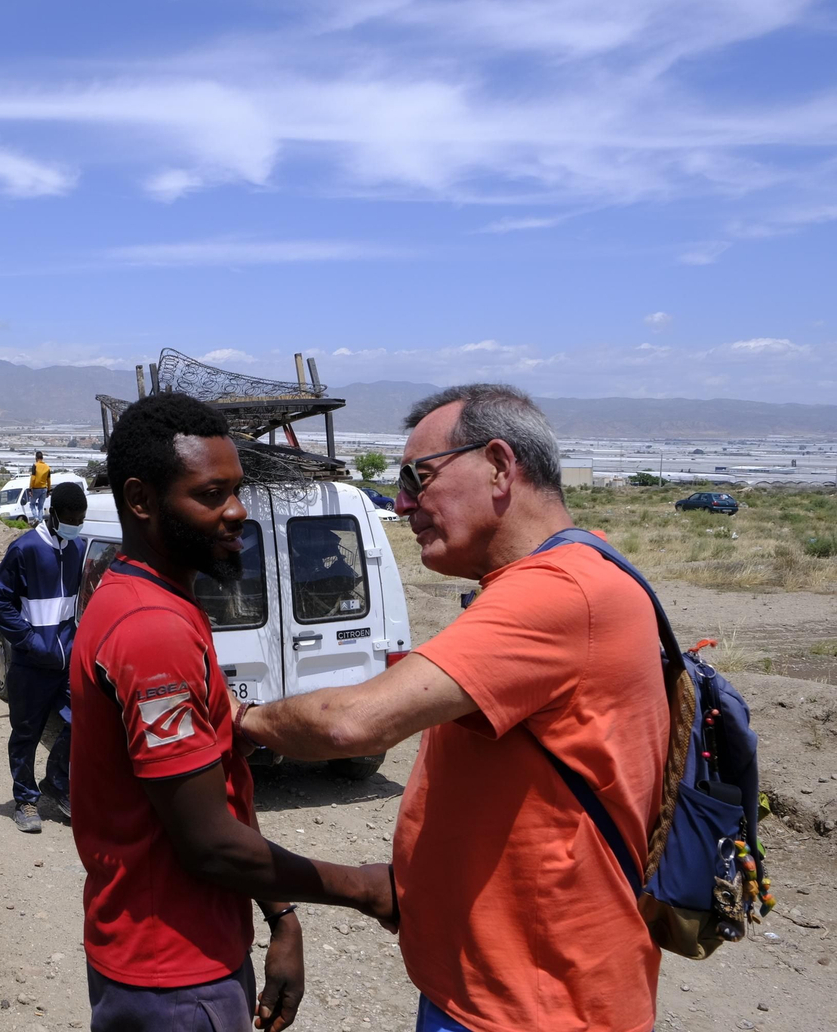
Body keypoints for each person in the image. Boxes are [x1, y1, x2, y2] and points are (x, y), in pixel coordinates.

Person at [235, 384, 669, 1032]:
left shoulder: (559, 594)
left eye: (419, 476)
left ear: (499, 465)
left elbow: (349, 722)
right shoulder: (563, 578)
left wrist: (238, 719)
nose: (404, 502)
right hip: (498, 989)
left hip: (538, 1007)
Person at [71, 392, 394, 1032]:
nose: (237, 512)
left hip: (177, 953)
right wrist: (366, 888)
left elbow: (216, 789)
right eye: (211, 494)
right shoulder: (151, 630)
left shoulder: (150, 596)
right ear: (141, 501)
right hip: (174, 974)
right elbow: (208, 843)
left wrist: (279, 916)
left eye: (236, 490)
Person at [0, 481, 87, 833]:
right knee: (26, 733)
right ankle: (26, 800)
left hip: (67, 661)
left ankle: (57, 784)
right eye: (72, 518)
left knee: (83, 721)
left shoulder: (78, 548)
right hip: (32, 662)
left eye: (82, 517)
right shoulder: (25, 549)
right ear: (53, 513)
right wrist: (28, 639)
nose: (77, 523)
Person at [26, 450, 51, 524]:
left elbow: (33, 478)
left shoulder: (35, 466)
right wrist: (49, 490)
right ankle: (40, 521)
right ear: (42, 458)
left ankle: (36, 518)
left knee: (32, 504)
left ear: (36, 458)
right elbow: (49, 480)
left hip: (35, 489)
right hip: (44, 489)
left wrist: (30, 489)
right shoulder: (47, 467)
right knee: (40, 506)